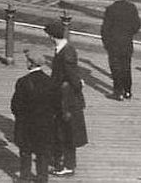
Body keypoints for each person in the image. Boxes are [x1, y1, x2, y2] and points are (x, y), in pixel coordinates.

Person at [44, 20, 88, 177]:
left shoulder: (66, 52)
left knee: (65, 132)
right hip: (65, 97)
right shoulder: (63, 49)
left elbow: (72, 76)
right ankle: (66, 163)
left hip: (66, 100)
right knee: (65, 131)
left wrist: (77, 86)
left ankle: (66, 165)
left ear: (51, 36)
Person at [10, 48, 57, 182]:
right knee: (43, 152)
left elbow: (15, 106)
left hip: (26, 124)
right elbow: (55, 104)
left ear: (30, 63)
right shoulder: (50, 81)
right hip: (45, 125)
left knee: (25, 151)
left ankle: (24, 178)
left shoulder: (23, 82)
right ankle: (42, 178)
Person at [101, 0, 141, 101]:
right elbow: (137, 25)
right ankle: (128, 91)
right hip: (127, 43)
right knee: (126, 67)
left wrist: (106, 43)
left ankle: (118, 92)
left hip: (113, 44)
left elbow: (105, 29)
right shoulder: (132, 7)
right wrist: (128, 34)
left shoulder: (110, 9)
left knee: (115, 68)